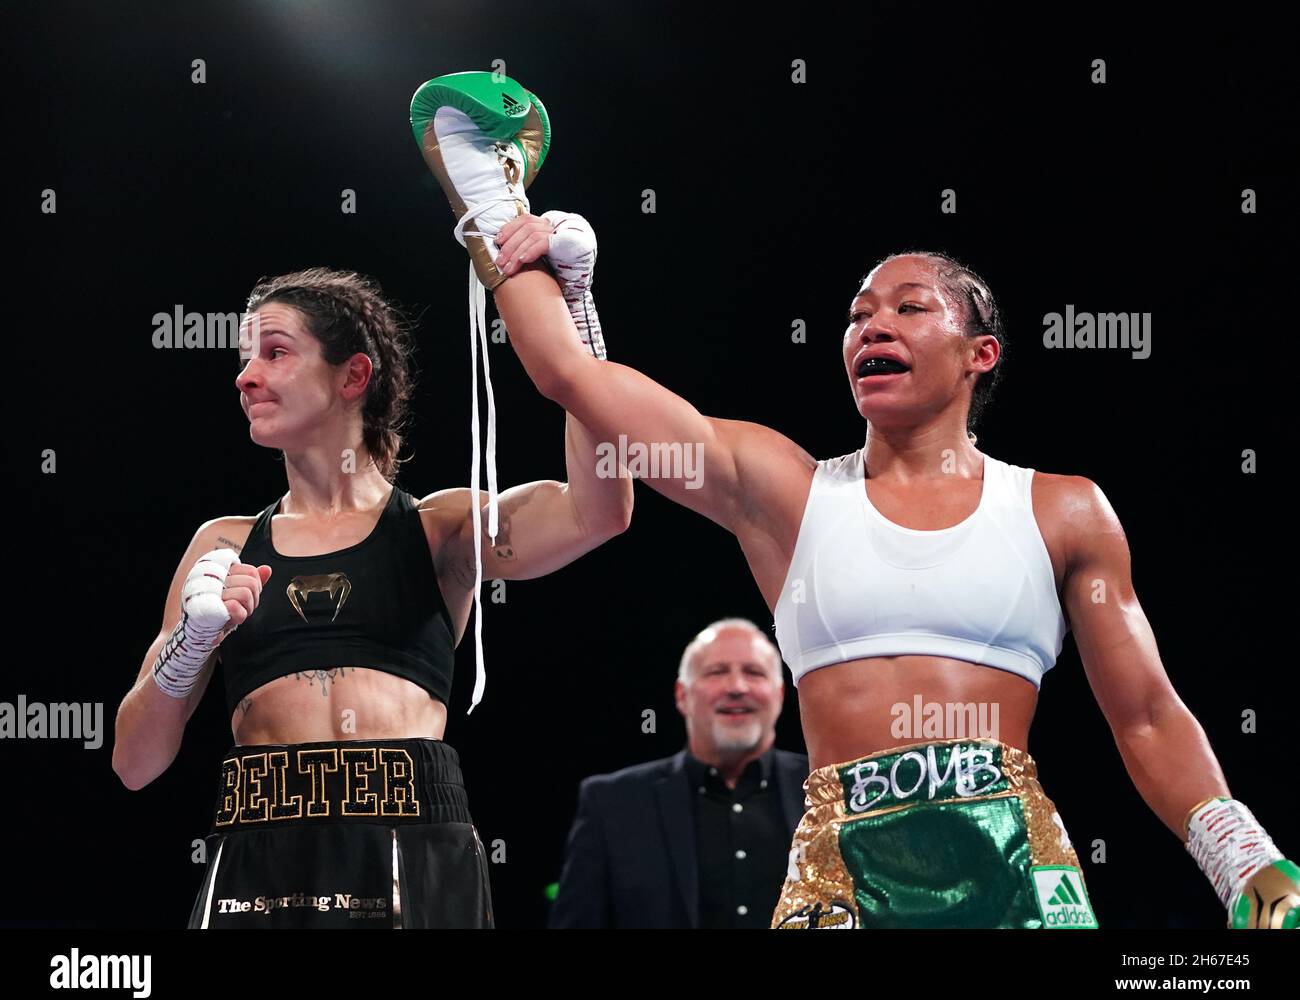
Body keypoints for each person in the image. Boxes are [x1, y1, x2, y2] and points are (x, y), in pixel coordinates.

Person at [414, 69, 1300, 929]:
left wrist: (1242, 855)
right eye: (857, 314)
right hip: (841, 870)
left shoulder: (1063, 509)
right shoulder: (787, 492)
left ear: (979, 353)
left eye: (910, 308)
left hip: (1014, 868)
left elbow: (1146, 714)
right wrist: (513, 231)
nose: (872, 324)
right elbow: (572, 379)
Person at [112, 265, 632, 928]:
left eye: (275, 353)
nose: (245, 377)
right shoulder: (223, 545)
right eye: (245, 359)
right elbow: (133, 763)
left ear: (352, 377)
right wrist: (187, 647)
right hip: (258, 854)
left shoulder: (440, 530)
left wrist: (576, 316)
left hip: (413, 843)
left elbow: (599, 511)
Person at [550, 619, 808, 928]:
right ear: (682, 695)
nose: (737, 687)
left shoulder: (826, 787)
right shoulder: (611, 804)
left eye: (754, 673)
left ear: (779, 695)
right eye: (717, 672)